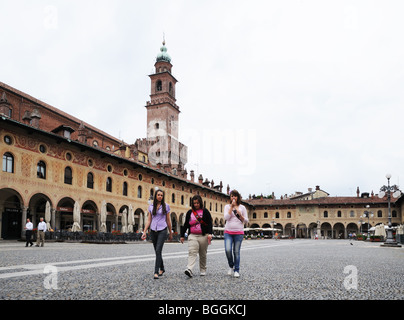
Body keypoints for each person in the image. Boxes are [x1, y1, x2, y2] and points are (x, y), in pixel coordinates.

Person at [141, 189, 173, 279]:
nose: (160, 196)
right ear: (155, 196)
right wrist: (144, 231)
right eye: (158, 195)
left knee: (158, 250)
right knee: (157, 251)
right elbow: (149, 220)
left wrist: (170, 232)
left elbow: (168, 220)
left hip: (162, 230)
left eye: (161, 195)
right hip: (153, 231)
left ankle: (156, 271)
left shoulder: (166, 206)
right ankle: (162, 268)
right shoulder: (151, 207)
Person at [180, 195, 213, 278]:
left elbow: (209, 223)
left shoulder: (205, 211)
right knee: (192, 252)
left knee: (203, 254)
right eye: (194, 203)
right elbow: (186, 224)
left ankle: (203, 269)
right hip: (192, 235)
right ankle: (189, 269)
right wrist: (182, 235)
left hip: (203, 236)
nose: (196, 204)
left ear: (200, 202)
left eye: (197, 203)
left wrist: (210, 233)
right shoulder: (190, 212)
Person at [223, 190, 249, 278]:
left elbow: (246, 220)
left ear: (238, 197)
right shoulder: (227, 207)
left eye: (235, 196)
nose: (233, 197)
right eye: (231, 196)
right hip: (228, 232)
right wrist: (231, 208)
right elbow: (226, 217)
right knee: (228, 250)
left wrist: (238, 211)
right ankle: (231, 266)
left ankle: (236, 270)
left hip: (239, 232)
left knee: (236, 252)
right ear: (230, 198)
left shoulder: (243, 207)